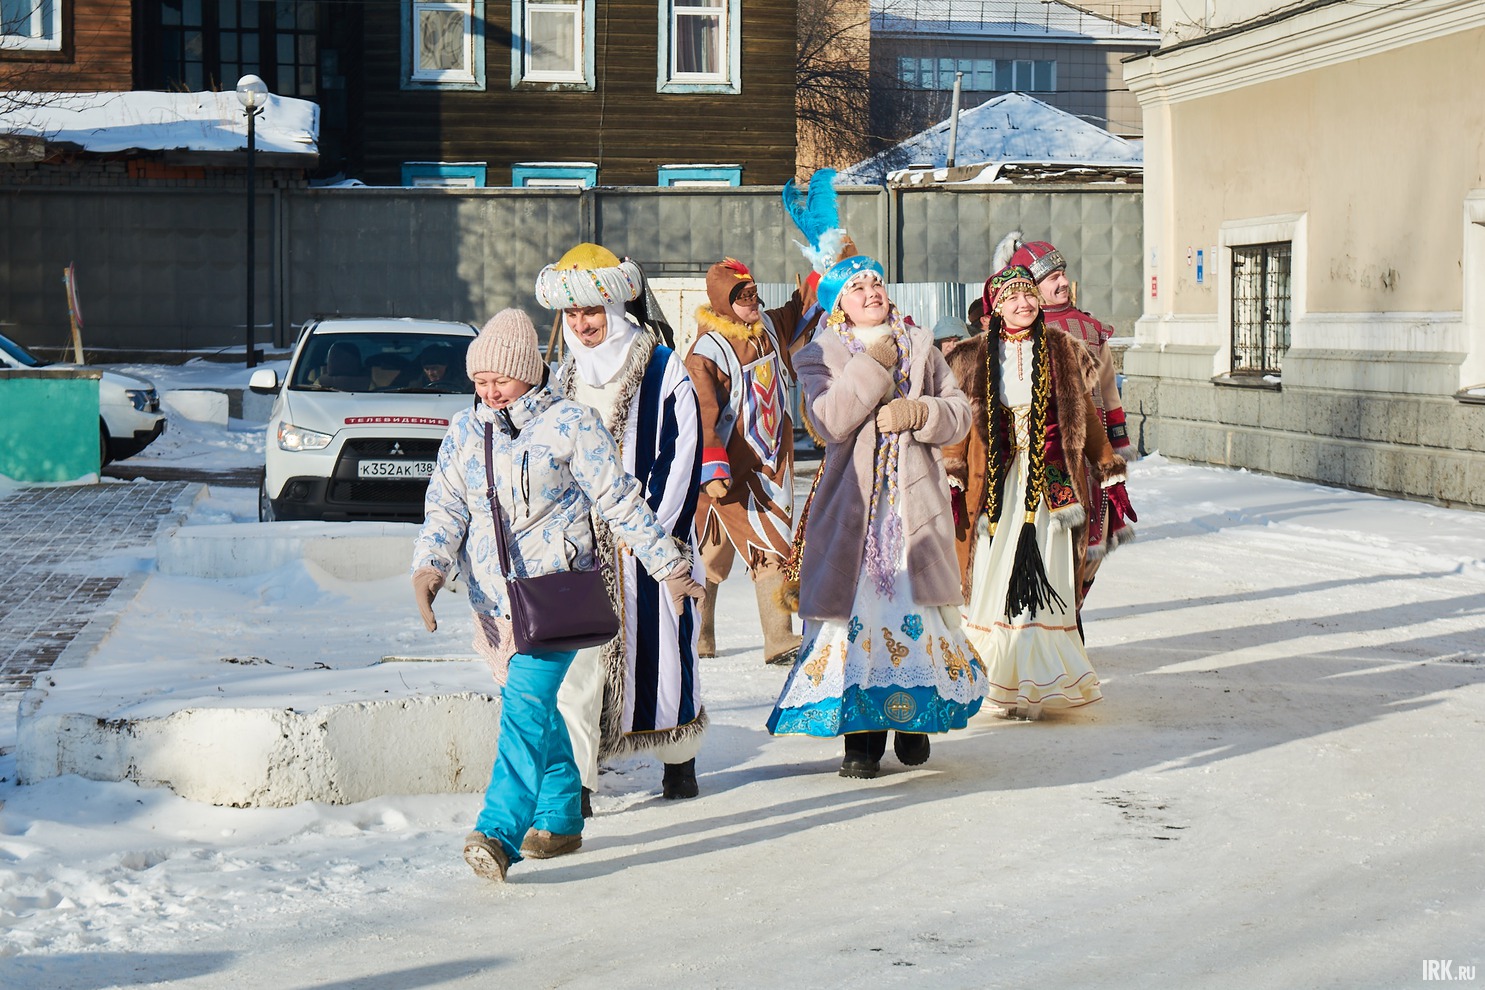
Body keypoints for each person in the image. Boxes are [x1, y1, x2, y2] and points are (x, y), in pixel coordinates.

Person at [410, 308, 704, 881]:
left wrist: (667, 565)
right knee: (539, 717)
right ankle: (563, 817)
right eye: (479, 381)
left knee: (523, 713)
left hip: (555, 597)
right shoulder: (463, 432)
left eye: (501, 379)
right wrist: (429, 567)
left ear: (530, 372)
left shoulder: (572, 423)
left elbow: (619, 500)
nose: (489, 391)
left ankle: (499, 831)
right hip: (494, 607)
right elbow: (445, 509)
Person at [766, 255, 983, 778]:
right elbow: (829, 421)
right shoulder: (819, 353)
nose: (870, 292)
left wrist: (919, 412)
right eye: (856, 286)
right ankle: (860, 741)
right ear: (838, 301)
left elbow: (959, 414)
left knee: (914, 614)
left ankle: (914, 724)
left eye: (877, 282)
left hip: (914, 510)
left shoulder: (924, 344)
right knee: (857, 621)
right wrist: (876, 364)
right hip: (852, 515)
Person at [533, 243, 709, 805]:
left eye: (592, 311)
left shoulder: (662, 371)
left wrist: (652, 536)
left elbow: (681, 454)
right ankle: (579, 783)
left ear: (614, 305)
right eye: (572, 314)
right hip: (577, 547)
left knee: (664, 655)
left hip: (648, 541)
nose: (582, 325)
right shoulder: (560, 379)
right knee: (579, 665)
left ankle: (679, 760)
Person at [943, 265, 1129, 720]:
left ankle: (1041, 682)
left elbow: (1084, 410)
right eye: (1013, 298)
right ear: (996, 306)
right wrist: (951, 464)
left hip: (1051, 482)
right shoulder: (970, 357)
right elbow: (961, 419)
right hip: (995, 482)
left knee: (1048, 571)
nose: (1023, 304)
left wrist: (1106, 462)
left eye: (1029, 295)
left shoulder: (1064, 349)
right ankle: (995, 677)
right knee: (993, 570)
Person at [685, 258, 817, 666]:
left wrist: (825, 263)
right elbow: (702, 412)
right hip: (726, 470)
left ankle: (779, 638)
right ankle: (699, 635)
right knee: (711, 554)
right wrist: (711, 467)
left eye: (754, 294)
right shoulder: (705, 352)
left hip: (769, 466)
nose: (752, 302)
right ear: (722, 303)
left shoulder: (768, 332)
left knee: (773, 544)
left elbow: (800, 307)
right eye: (742, 298)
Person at [997, 234, 1137, 600]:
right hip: (1034, 460)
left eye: (1063, 274)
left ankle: (1071, 618)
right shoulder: (1009, 333)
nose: (1062, 283)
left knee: (1093, 540)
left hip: (1089, 457)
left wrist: (1115, 453)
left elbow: (1107, 391)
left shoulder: (1090, 329)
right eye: (1051, 278)